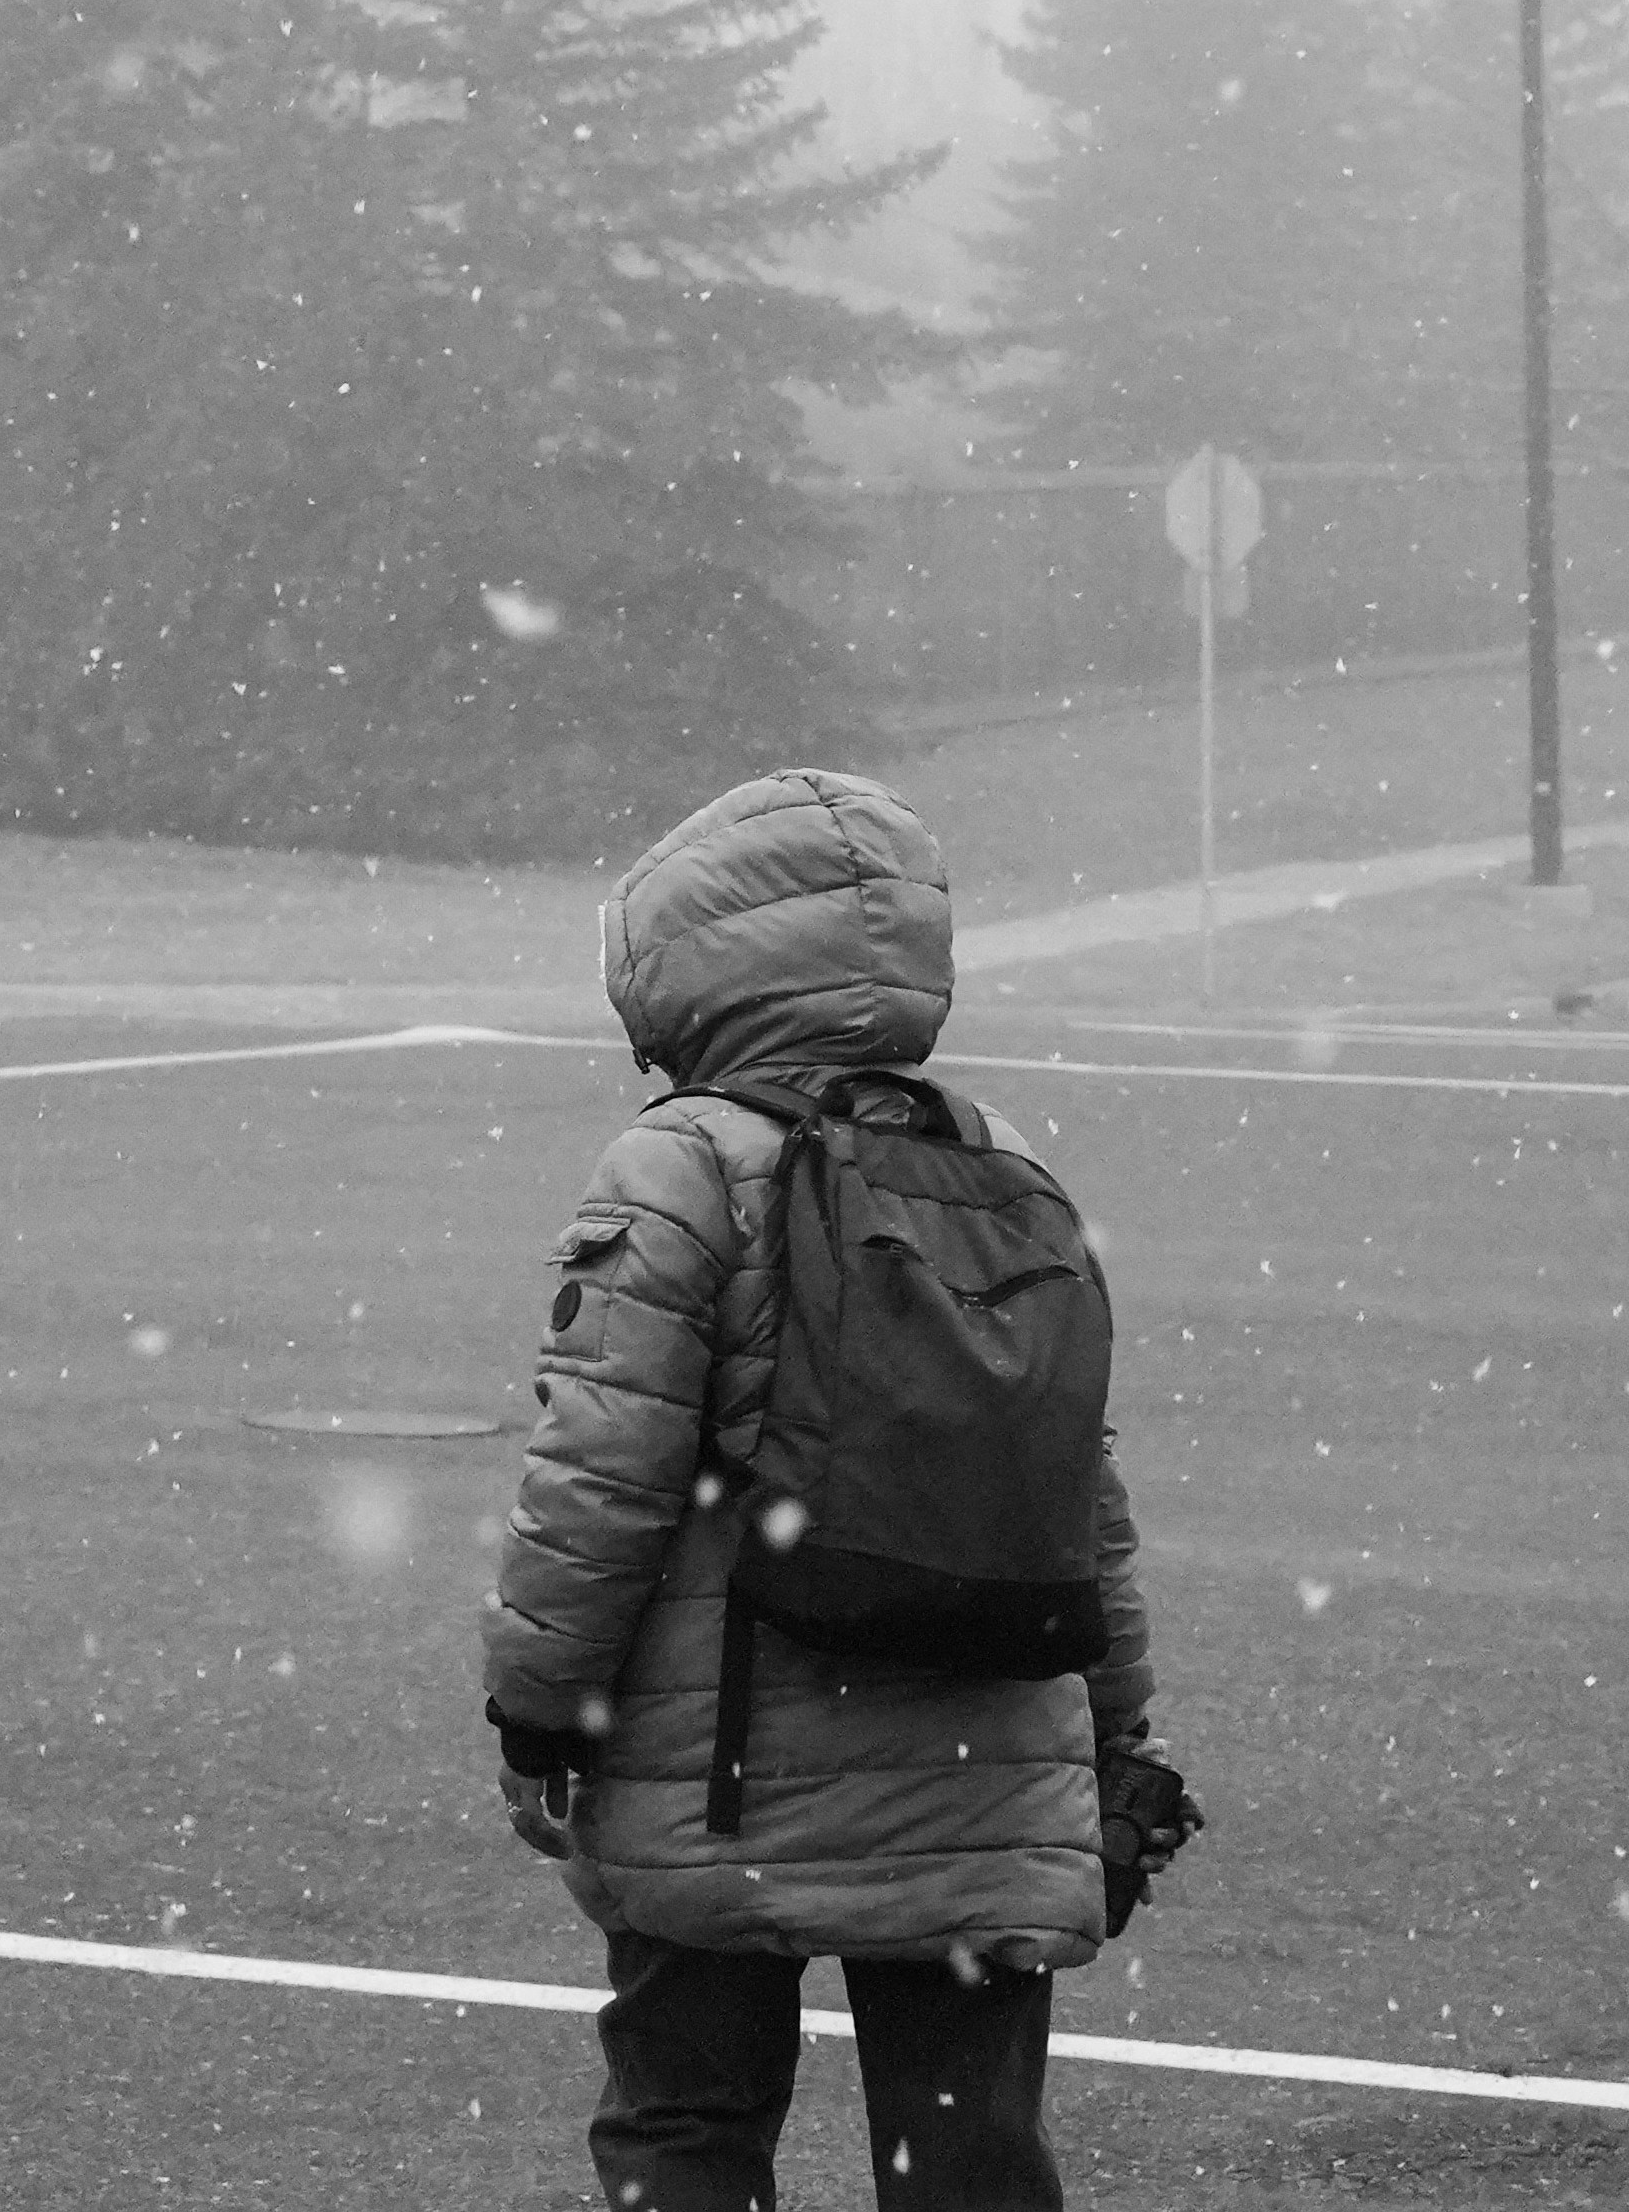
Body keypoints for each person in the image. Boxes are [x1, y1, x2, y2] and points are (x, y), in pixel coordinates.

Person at [479, 767, 1169, 2212]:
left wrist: (542, 1707)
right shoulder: (997, 1162)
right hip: (985, 1762)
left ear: (687, 971)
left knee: (689, 2129)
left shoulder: (678, 1169)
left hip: (721, 1774)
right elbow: (1074, 1490)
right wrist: (1116, 1735)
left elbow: (599, 1480)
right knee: (969, 2163)